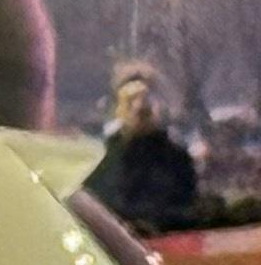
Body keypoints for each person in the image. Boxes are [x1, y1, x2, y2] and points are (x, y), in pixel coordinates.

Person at [81, 73, 203, 235]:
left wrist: (155, 224)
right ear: (119, 108)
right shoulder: (101, 158)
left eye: (147, 100)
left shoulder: (176, 158)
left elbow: (188, 208)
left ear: (158, 108)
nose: (140, 106)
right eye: (131, 101)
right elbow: (91, 206)